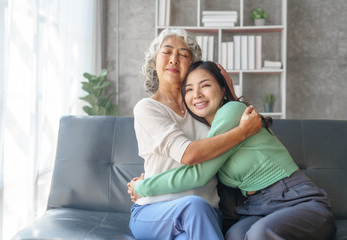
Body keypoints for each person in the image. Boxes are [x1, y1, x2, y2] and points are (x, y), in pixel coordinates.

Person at [129, 61, 336, 240]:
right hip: (257, 208)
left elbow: (198, 174)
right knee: (234, 236)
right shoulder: (211, 135)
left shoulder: (232, 111)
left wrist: (142, 187)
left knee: (258, 234)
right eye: (189, 90)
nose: (197, 94)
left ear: (222, 88)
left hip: (297, 199)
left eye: (205, 85)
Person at [127, 29, 262, 240]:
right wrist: (242, 132)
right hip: (153, 211)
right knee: (194, 206)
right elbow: (188, 154)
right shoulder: (147, 108)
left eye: (183, 54)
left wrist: (231, 95)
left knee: (195, 217)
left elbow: (244, 123)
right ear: (154, 62)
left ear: (192, 66)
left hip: (206, 214)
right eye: (167, 52)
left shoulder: (202, 108)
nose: (174, 59)